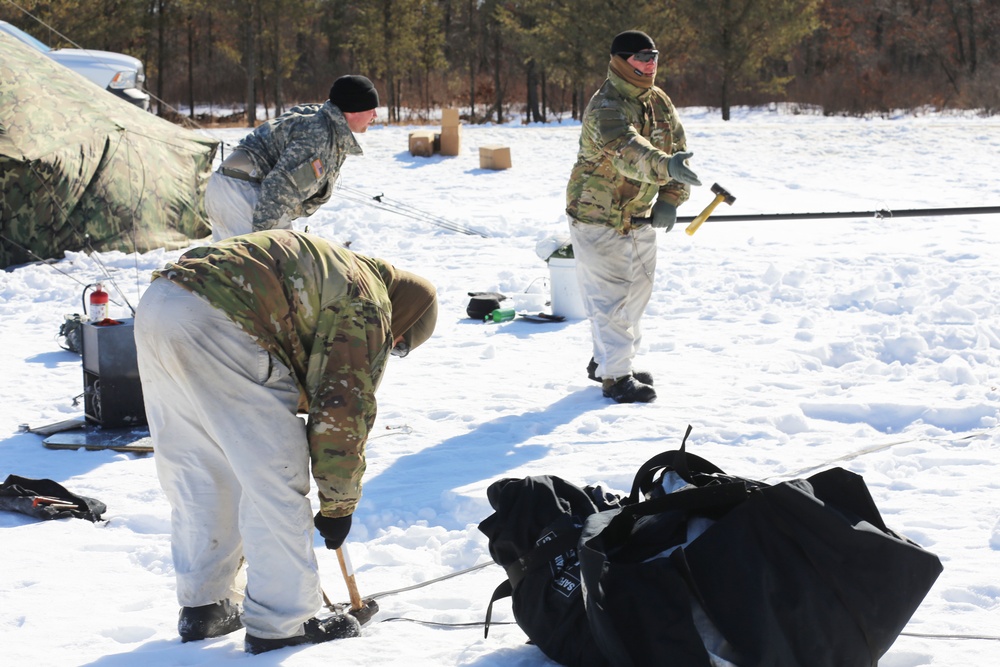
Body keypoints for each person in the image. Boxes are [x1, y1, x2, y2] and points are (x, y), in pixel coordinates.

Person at [134, 229, 438, 654]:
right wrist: (338, 505)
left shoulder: (337, 270)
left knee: (200, 467)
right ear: (404, 318)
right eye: (400, 344)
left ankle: (207, 604)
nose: (393, 349)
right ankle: (284, 621)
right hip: (224, 319)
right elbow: (342, 411)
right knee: (274, 477)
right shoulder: (370, 301)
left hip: (162, 303)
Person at [565, 30, 701, 404]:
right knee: (610, 299)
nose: (650, 63)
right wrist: (666, 168)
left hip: (639, 216)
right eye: (642, 56)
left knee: (637, 294)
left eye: (654, 55)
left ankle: (607, 360)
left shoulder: (659, 101)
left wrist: (671, 198)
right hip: (599, 216)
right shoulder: (605, 106)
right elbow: (628, 150)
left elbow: (679, 151)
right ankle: (616, 377)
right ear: (621, 61)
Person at [205, 75, 380, 241]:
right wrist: (261, 242)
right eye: (371, 109)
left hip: (229, 188)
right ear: (354, 109)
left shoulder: (321, 120)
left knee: (229, 268)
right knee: (268, 266)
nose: (375, 115)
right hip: (242, 194)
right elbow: (280, 188)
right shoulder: (319, 136)